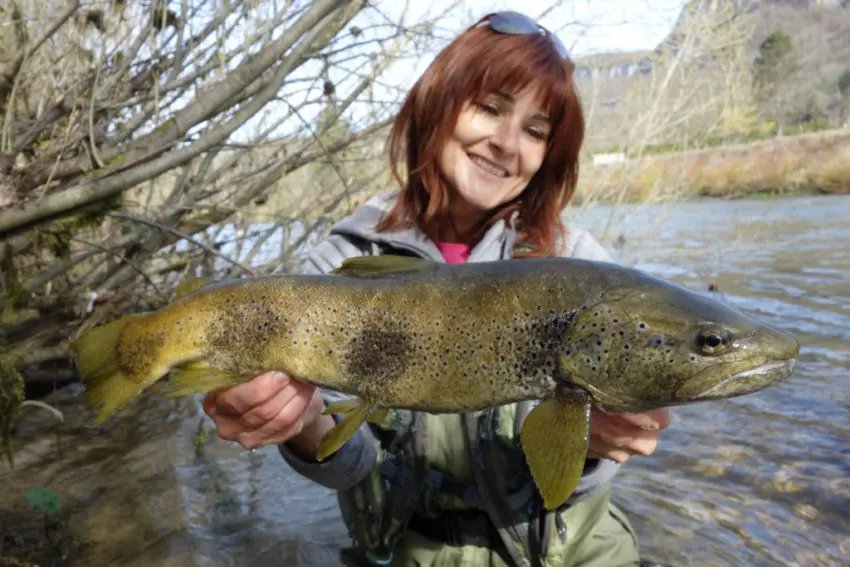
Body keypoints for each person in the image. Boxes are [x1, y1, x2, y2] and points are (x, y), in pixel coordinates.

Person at [203, 11, 671, 567]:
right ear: (438, 104)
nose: (506, 143)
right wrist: (296, 424)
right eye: (490, 108)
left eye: (535, 130)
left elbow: (576, 484)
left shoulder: (580, 267)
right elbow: (352, 464)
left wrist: (601, 444)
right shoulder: (345, 264)